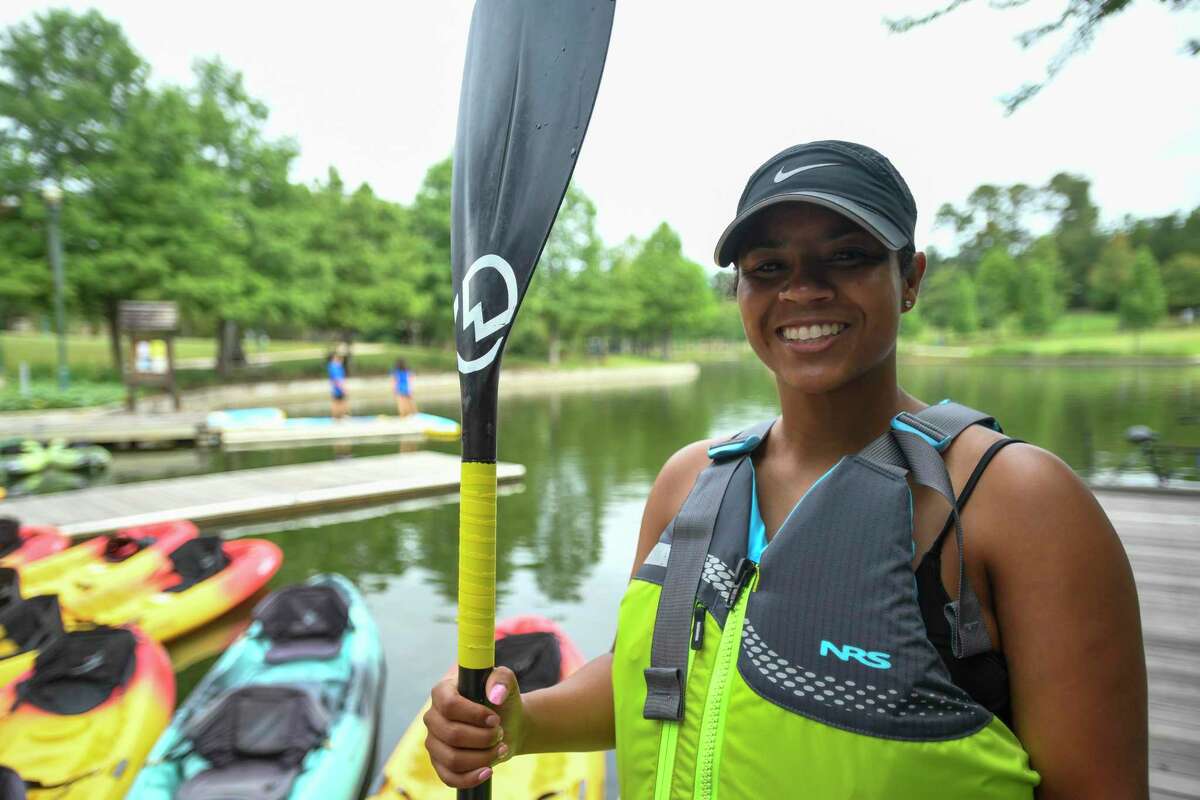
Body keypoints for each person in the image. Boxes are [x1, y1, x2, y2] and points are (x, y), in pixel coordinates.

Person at [422, 141, 1148, 798]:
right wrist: (519, 726)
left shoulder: (1015, 501)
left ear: (911, 277)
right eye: (768, 268)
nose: (802, 291)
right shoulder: (690, 481)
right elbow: (645, 682)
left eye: (847, 256)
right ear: (739, 293)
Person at [327, 352, 348, 420]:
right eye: (336, 357)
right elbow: (337, 379)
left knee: (339, 402)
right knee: (339, 402)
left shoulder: (335, 366)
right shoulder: (334, 367)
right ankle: (338, 417)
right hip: (338, 388)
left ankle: (339, 417)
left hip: (337, 387)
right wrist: (342, 388)